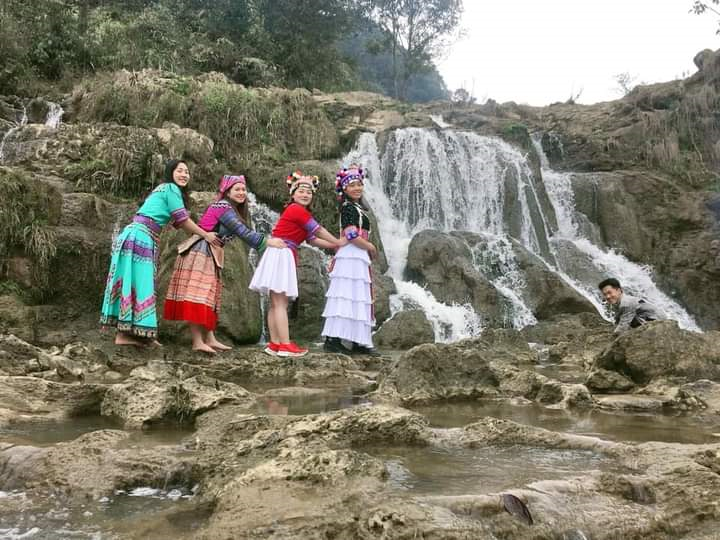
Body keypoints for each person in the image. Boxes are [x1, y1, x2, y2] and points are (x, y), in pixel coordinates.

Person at [100, 159, 221, 346]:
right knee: (141, 284)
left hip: (135, 235)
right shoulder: (170, 189)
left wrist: (202, 234)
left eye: (187, 172)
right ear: (170, 173)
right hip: (139, 237)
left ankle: (138, 336)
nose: (184, 175)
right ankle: (126, 336)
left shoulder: (164, 191)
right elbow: (182, 220)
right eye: (179, 170)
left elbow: (180, 223)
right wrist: (206, 235)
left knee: (134, 283)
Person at [163, 175, 286, 354]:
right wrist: (268, 242)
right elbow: (241, 231)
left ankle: (210, 339)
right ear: (227, 192)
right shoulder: (222, 207)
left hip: (212, 251)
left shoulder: (231, 208)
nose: (241, 192)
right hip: (201, 250)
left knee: (209, 296)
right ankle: (197, 341)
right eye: (237, 189)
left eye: (243, 189)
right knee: (198, 295)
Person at [249, 171, 345, 358]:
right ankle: (285, 345)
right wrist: (338, 241)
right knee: (279, 302)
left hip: (281, 253)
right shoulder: (295, 210)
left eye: (308, 192)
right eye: (301, 190)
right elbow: (317, 230)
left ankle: (275, 344)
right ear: (293, 194)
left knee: (276, 302)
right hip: (281, 252)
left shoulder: (301, 213)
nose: (305, 194)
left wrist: (334, 245)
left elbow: (312, 240)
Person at [321, 165, 380, 356]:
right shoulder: (348, 208)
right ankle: (333, 339)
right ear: (344, 189)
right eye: (352, 185)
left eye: (359, 184)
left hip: (357, 256)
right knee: (346, 293)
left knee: (357, 296)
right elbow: (351, 234)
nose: (357, 188)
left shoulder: (357, 208)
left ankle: (358, 340)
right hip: (350, 255)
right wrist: (370, 246)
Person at [598, 278, 665, 334]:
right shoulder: (620, 303)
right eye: (605, 294)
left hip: (658, 324)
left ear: (618, 290)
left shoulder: (626, 303)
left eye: (609, 292)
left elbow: (622, 327)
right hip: (651, 323)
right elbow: (619, 321)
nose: (608, 296)